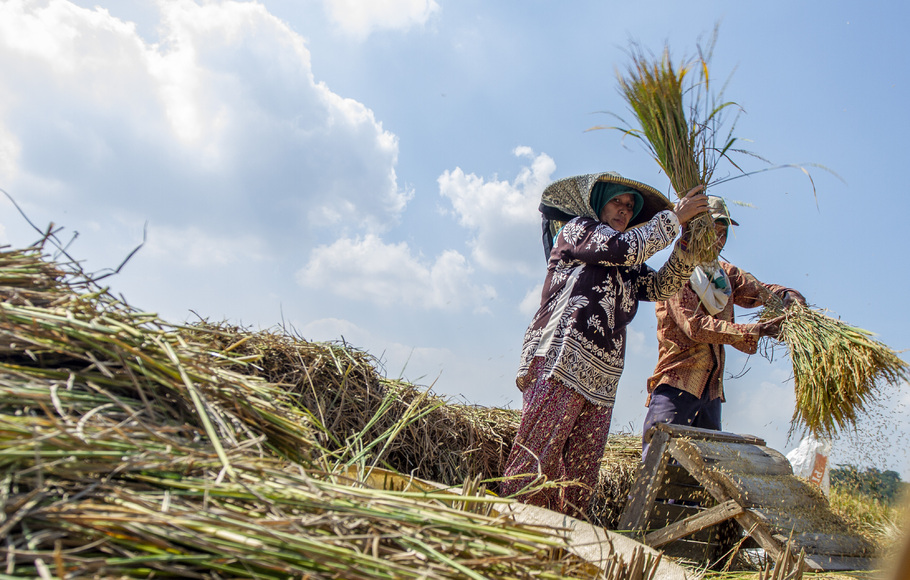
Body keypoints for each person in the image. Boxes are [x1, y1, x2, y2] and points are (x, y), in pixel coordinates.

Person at [499, 171, 708, 519]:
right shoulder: (581, 230)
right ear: (598, 202)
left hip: (602, 376)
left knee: (580, 476)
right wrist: (674, 219)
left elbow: (659, 287)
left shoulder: (628, 264)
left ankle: (564, 548)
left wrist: (686, 246)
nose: (624, 210)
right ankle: (511, 533)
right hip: (561, 359)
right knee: (537, 458)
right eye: (617, 201)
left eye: (630, 206)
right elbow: (623, 248)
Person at [641, 196, 806, 454]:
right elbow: (694, 327)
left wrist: (787, 295)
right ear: (692, 230)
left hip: (711, 392)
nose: (718, 240)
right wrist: (757, 330)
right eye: (711, 232)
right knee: (658, 469)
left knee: (701, 479)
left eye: (723, 232)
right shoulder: (677, 273)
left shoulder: (722, 275)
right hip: (677, 386)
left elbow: (759, 290)